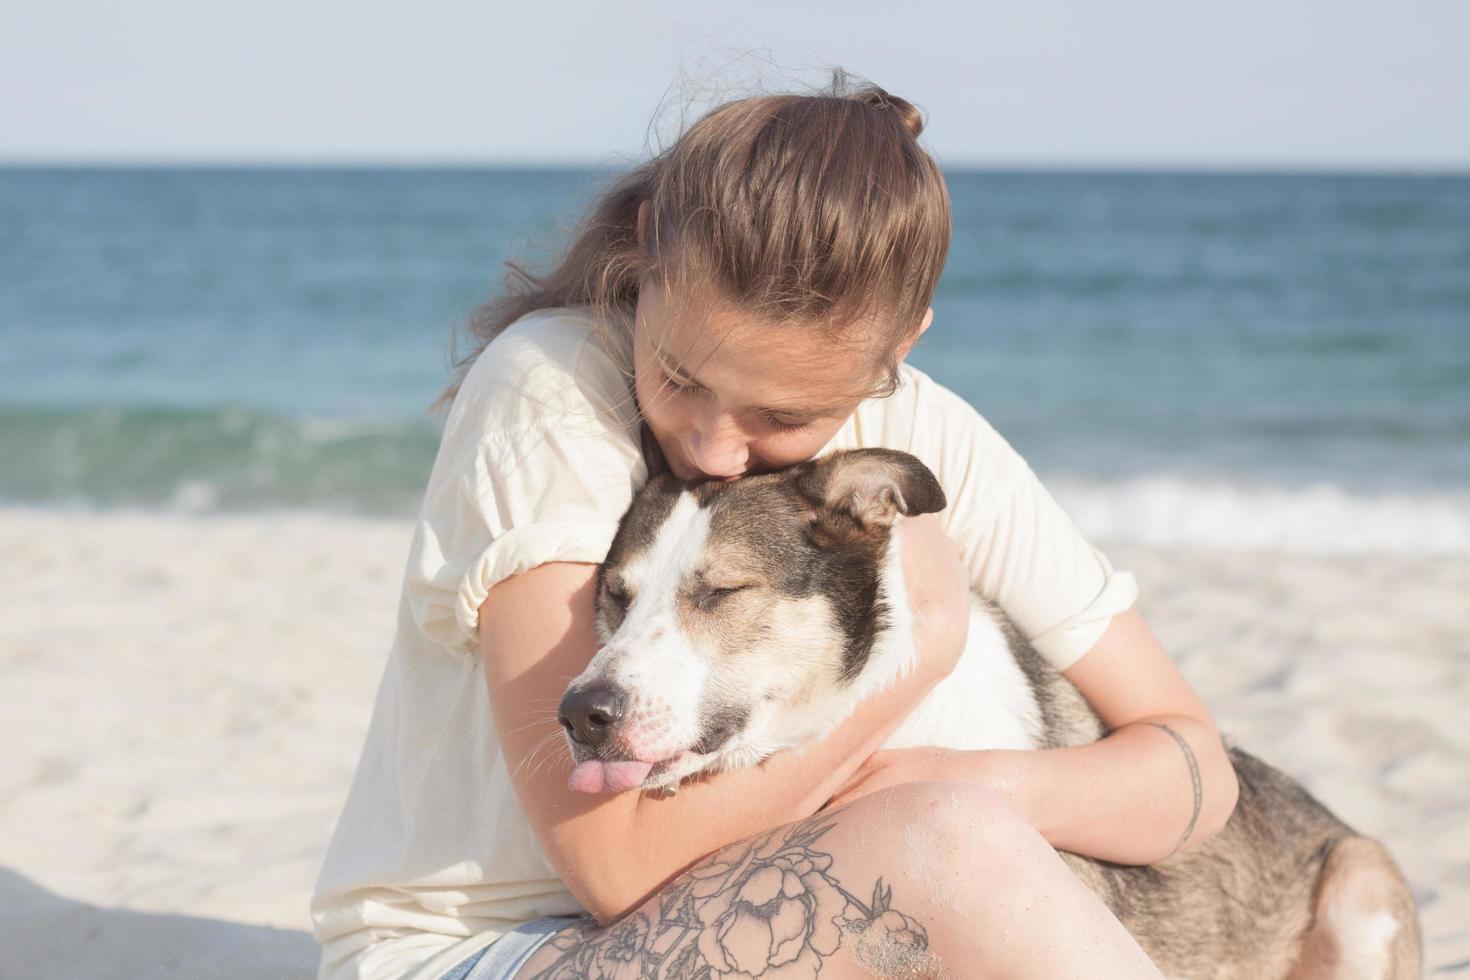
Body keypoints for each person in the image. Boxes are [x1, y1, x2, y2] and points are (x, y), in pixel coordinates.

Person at [310, 70, 1239, 980]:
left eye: (784, 418)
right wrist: (926, 650)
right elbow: (614, 866)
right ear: (645, 258)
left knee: (961, 833)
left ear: (898, 348)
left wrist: (984, 782)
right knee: (950, 847)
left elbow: (1192, 768)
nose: (715, 451)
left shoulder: (923, 436)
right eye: (677, 377)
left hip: (758, 914)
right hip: (485, 951)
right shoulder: (550, 392)